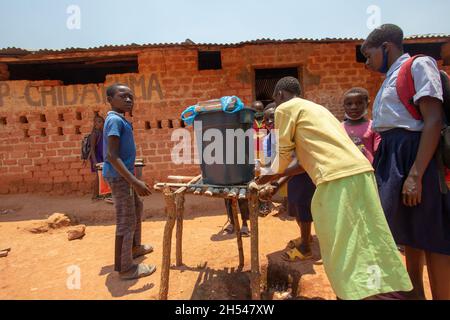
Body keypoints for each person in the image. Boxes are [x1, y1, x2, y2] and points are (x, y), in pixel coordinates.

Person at [256, 76, 412, 300]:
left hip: (338, 180)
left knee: (342, 247)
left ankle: (357, 295)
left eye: (276, 99)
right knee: (369, 241)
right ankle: (384, 291)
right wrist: (275, 180)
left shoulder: (286, 108)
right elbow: (302, 162)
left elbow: (280, 158)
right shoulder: (316, 110)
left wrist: (262, 174)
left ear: (279, 95)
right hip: (360, 174)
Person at [362, 23, 450, 300]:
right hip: (392, 156)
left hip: (415, 155)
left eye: (369, 55)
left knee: (433, 236)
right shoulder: (390, 76)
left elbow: (433, 120)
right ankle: (415, 295)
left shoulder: (418, 65)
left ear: (386, 47)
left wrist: (415, 175)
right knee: (411, 233)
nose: (367, 63)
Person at [102, 83, 155, 280]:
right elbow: (112, 156)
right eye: (123, 96)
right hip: (119, 178)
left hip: (124, 176)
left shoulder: (120, 120)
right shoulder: (114, 120)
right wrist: (135, 182)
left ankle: (134, 248)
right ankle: (125, 268)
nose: (128, 100)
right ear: (110, 100)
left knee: (136, 209)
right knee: (125, 220)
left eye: (131, 97)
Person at [342, 87, 381, 164]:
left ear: (367, 104)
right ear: (344, 106)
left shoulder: (374, 126)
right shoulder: (338, 128)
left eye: (359, 103)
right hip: (345, 171)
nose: (353, 107)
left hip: (367, 170)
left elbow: (378, 153)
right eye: (349, 104)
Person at [88, 114, 105, 200]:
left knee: (102, 176)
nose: (99, 123)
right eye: (97, 122)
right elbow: (92, 149)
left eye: (101, 121)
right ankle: (94, 196)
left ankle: (100, 194)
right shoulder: (94, 134)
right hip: (96, 157)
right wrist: (95, 162)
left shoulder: (102, 133)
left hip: (102, 157)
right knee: (98, 177)